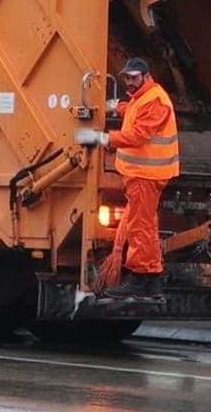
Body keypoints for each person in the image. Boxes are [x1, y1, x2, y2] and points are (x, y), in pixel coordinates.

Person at [75, 57, 179, 300]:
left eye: (133, 78)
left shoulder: (155, 100)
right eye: (126, 78)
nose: (129, 83)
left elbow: (137, 135)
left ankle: (139, 278)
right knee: (146, 226)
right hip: (143, 175)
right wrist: (116, 106)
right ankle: (152, 280)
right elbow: (134, 111)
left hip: (146, 176)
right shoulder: (144, 97)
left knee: (139, 227)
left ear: (146, 75)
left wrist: (103, 138)